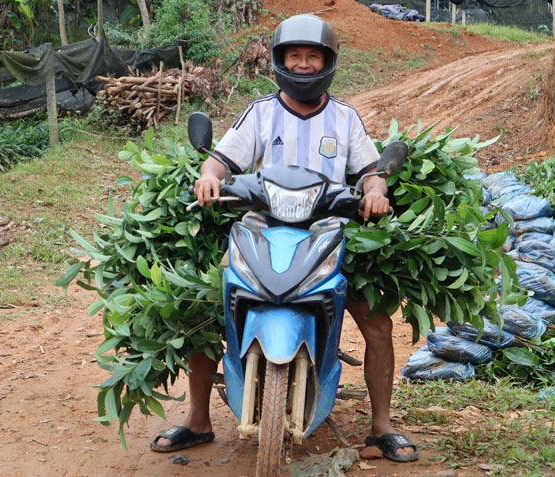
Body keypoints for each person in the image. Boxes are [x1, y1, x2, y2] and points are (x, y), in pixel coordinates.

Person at [149, 14, 418, 462]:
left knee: (377, 323)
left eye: (314, 56)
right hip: (260, 229)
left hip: (326, 232)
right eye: (296, 55)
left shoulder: (344, 117)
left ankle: (382, 426)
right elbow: (220, 160)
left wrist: (374, 191)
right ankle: (198, 420)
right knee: (200, 313)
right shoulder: (260, 112)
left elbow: (371, 171)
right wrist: (208, 178)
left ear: (328, 61)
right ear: (280, 60)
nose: (305, 64)